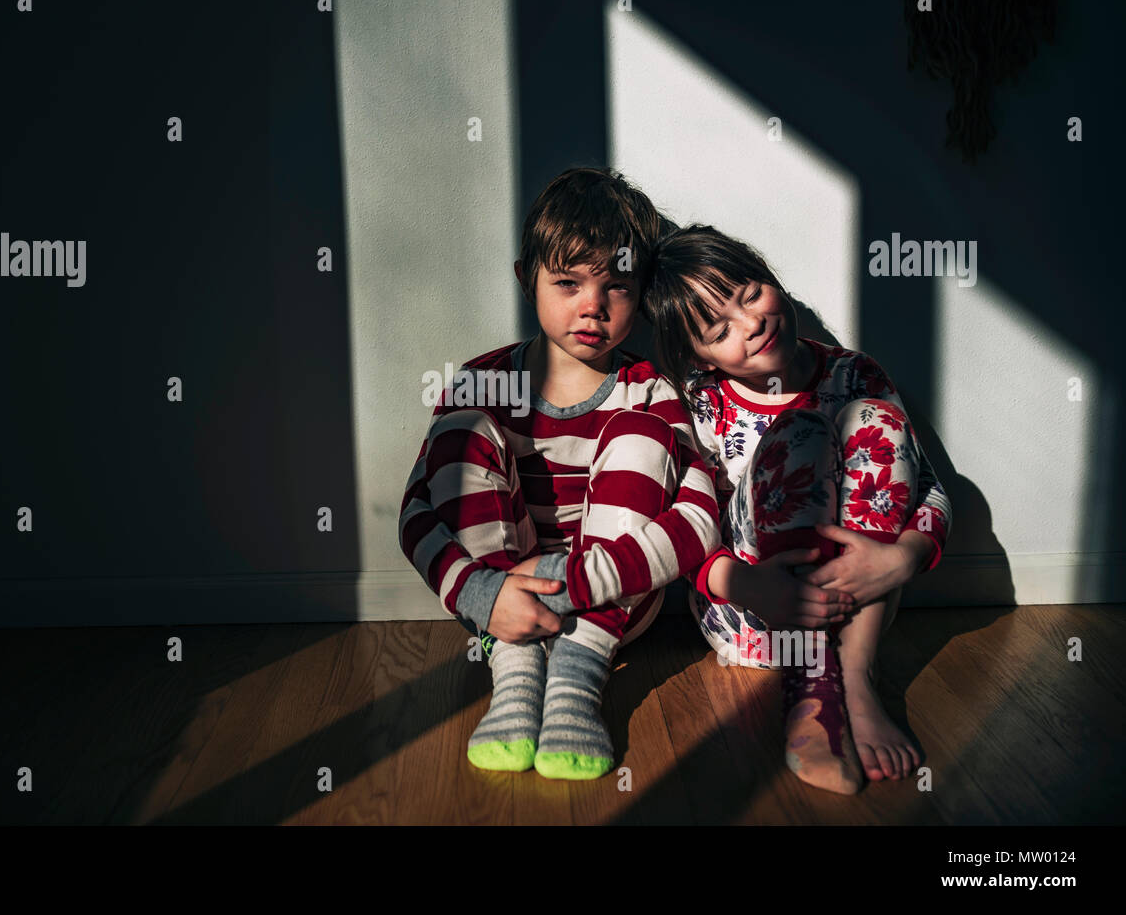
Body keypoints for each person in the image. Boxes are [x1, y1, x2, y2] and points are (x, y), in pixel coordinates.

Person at [397, 169, 772, 780]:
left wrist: (581, 582)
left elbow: (699, 519)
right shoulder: (482, 384)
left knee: (640, 431)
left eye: (615, 287)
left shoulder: (650, 387)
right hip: (502, 599)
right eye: (567, 283)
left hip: (613, 598)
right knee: (462, 424)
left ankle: (577, 677)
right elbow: (417, 510)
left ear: (642, 290)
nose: (591, 306)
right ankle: (514, 670)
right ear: (528, 280)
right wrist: (480, 594)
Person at [644, 223, 951, 793]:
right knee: (800, 429)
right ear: (700, 357)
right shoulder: (701, 405)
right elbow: (683, 526)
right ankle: (809, 686)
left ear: (772, 280)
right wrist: (744, 584)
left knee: (874, 418)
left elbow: (928, 487)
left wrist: (904, 557)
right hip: (756, 612)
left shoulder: (854, 373)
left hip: (860, 604)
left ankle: (853, 683)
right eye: (719, 328)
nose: (751, 323)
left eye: (751, 293)